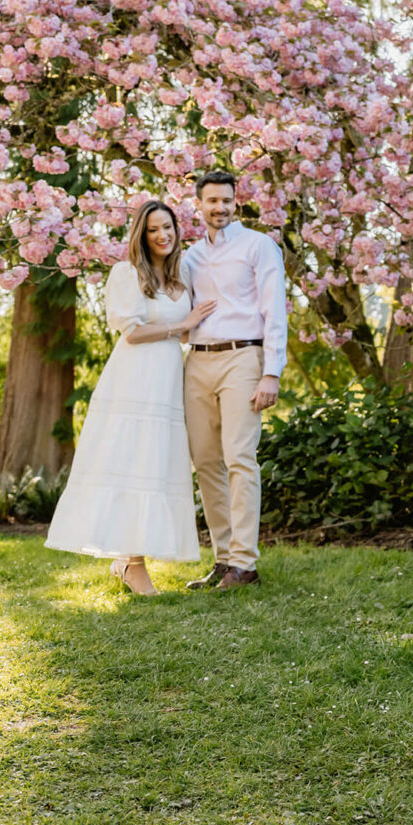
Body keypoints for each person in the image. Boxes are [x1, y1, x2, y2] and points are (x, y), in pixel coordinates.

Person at [46, 200, 213, 595]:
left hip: (170, 375)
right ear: (142, 234)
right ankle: (133, 563)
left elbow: (188, 330)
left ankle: (127, 560)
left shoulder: (182, 274)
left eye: (168, 227)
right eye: (154, 229)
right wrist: (183, 324)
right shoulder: (127, 273)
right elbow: (133, 333)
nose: (163, 235)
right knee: (133, 456)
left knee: (156, 460)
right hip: (135, 375)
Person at [181, 170, 288, 591]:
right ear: (199, 205)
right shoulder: (189, 257)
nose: (219, 208)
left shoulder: (259, 246)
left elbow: (274, 310)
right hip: (198, 360)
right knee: (206, 462)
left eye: (226, 200)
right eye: (211, 201)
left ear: (235, 202)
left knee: (239, 459)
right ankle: (224, 559)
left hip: (244, 356)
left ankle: (246, 563)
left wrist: (271, 372)